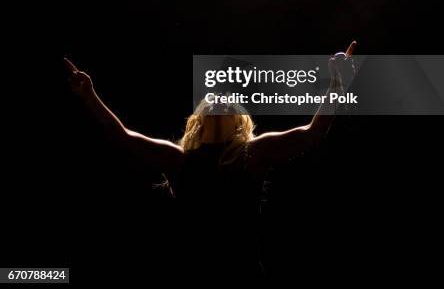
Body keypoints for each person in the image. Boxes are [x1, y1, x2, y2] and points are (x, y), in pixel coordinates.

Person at [64, 41, 356, 279]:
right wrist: (89, 96)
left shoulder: (252, 153)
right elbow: (123, 136)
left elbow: (312, 132)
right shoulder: (177, 158)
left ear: (239, 122)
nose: (220, 98)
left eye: (227, 101)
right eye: (213, 99)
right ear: (198, 121)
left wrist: (338, 82)